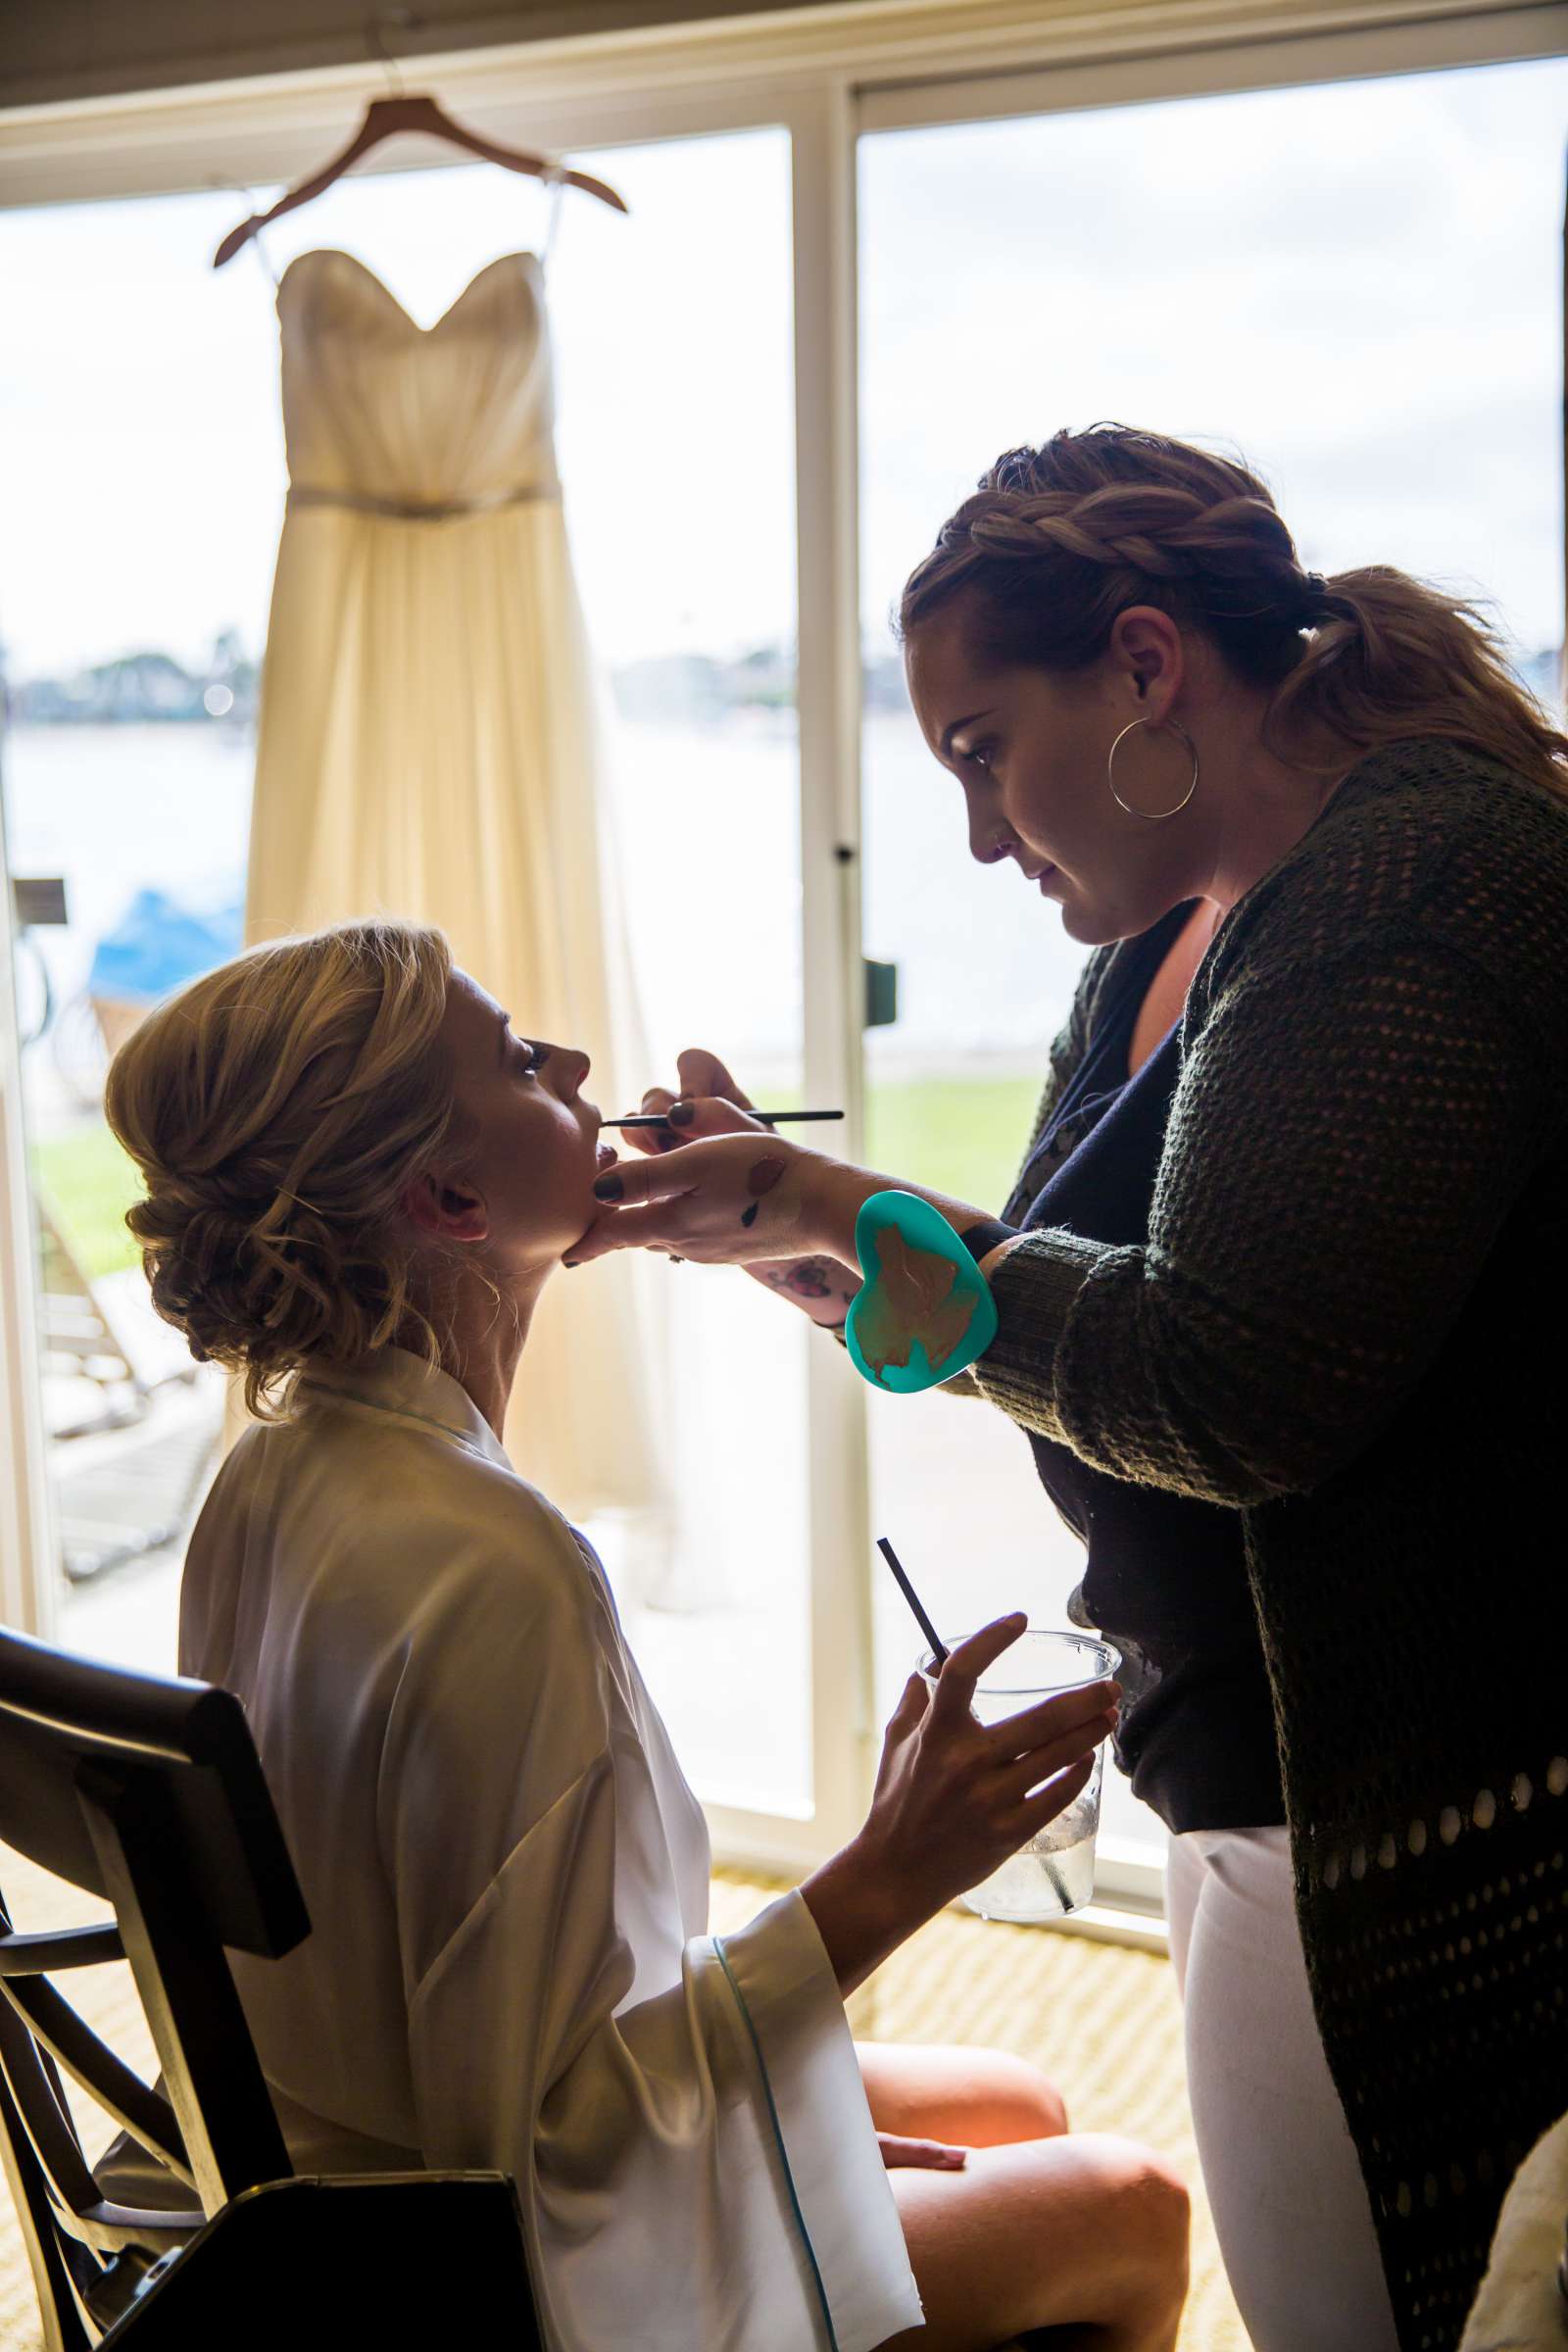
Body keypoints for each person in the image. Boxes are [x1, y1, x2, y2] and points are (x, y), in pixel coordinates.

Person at [565, 423, 1568, 2352]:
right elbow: (1060, 1302)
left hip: (1391, 1791)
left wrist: (825, 1191)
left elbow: (1226, 1382)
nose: (969, 830)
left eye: (974, 748)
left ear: (1138, 666)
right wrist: (797, 1238)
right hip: (1228, 1752)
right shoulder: (1166, 938)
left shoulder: (1405, 887)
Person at [100, 918, 1189, 2352]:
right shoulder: (499, 1572)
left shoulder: (273, 1467)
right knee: (1134, 2203)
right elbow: (563, 2148)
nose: (577, 1062)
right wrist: (890, 1870)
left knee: (1014, 2109)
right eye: (516, 1058)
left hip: (347, 2181)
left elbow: (491, 2012)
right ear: (445, 1193)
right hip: (481, 2274)